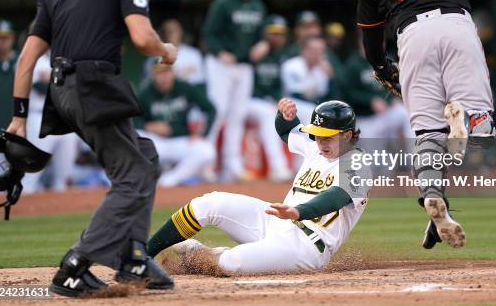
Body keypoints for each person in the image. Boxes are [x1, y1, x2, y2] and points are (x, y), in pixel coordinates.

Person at [5, 0, 177, 297]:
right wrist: (166, 51)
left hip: (60, 90)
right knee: (132, 174)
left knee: (143, 157)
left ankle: (132, 257)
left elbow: (25, 60)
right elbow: (142, 37)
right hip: (94, 85)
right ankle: (75, 266)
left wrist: (19, 117)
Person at [353, 0, 496, 250]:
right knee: (482, 130)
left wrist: (386, 71)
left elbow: (373, 49)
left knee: (427, 134)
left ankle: (434, 196)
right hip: (454, 22)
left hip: (411, 38)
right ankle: (469, 121)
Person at [146, 99, 368, 275]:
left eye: (327, 137)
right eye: (317, 136)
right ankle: (144, 255)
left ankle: (205, 254)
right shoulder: (317, 148)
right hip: (275, 220)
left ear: (347, 135)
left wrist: (299, 211)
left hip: (306, 246)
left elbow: (336, 197)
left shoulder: (360, 165)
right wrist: (283, 114)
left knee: (231, 262)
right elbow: (287, 131)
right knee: (209, 203)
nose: (320, 142)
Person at [203, 0, 266, 180]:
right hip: (222, 64)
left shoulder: (258, 5)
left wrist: (263, 45)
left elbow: (260, 35)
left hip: (244, 65)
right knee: (218, 111)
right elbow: (209, 34)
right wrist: (220, 52)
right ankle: (207, 164)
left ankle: (233, 165)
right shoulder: (224, 3)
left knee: (237, 115)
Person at [136, 64, 216, 186]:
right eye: (160, 73)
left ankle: (169, 180)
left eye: (167, 72)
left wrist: (202, 134)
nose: (164, 77)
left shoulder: (184, 88)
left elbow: (210, 110)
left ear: (173, 73)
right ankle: (148, 177)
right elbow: (132, 120)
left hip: (180, 140)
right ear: (153, 75)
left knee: (206, 151)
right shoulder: (145, 93)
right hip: (157, 143)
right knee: (137, 137)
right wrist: (150, 126)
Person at [22, 51, 80, 194]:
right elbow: (40, 88)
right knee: (30, 174)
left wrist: (51, 80)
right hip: (38, 117)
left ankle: (60, 213)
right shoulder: (33, 58)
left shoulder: (69, 60)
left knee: (64, 176)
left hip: (65, 119)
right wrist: (63, 82)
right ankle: (21, 211)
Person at [246, 15, 293, 181]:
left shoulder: (282, 55)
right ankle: (278, 167)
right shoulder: (254, 50)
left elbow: (281, 87)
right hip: (247, 101)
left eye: (280, 34)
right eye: (273, 33)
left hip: (269, 102)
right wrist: (251, 57)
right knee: (269, 113)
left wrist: (278, 100)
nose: (276, 37)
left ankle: (303, 168)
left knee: (303, 111)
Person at [344, 32, 413, 139]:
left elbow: (392, 87)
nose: (377, 46)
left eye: (380, 43)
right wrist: (370, 100)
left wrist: (392, 99)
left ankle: (415, 153)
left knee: (404, 113)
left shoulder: (385, 63)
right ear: (362, 43)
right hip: (364, 119)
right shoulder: (353, 65)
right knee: (373, 153)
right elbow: (348, 94)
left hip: (385, 115)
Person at [281, 36, 335, 124]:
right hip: (290, 102)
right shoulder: (291, 65)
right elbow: (290, 89)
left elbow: (323, 92)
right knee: (312, 112)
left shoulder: (322, 69)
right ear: (304, 50)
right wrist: (307, 89)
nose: (317, 53)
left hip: (312, 104)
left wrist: (330, 77)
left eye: (320, 50)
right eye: (314, 50)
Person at [141, 19, 205, 89]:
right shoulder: (155, 57)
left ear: (181, 32)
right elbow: (147, 84)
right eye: (168, 31)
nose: (171, 34)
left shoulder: (194, 54)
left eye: (174, 31)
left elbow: (201, 80)